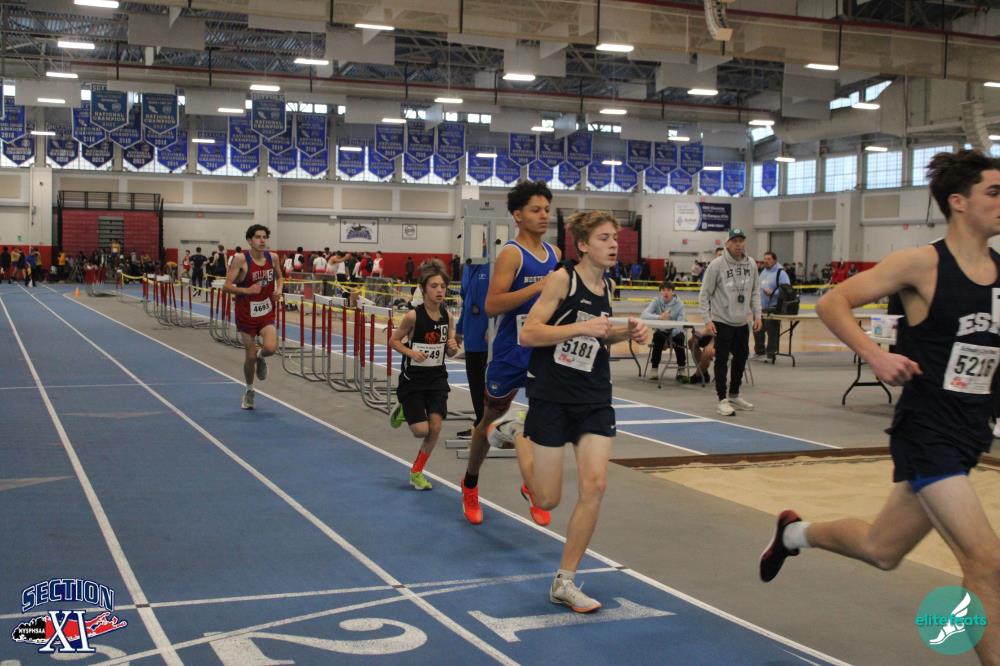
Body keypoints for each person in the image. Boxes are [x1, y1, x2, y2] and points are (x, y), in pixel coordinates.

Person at [760, 150, 1000, 663]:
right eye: (994, 193)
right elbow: (832, 302)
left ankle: (794, 533)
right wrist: (874, 354)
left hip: (970, 432)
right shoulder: (922, 263)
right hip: (927, 431)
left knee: (882, 550)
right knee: (986, 563)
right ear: (958, 202)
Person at [518, 210, 650, 613]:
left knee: (595, 486)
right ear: (582, 245)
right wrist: (581, 328)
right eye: (604, 238)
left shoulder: (607, 285)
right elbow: (529, 333)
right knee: (547, 499)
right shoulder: (563, 279)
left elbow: (598, 338)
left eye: (615, 238)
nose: (613, 245)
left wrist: (630, 331)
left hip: (593, 396)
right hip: (552, 397)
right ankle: (515, 434)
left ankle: (565, 580)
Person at [460, 180, 561, 526]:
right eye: (536, 210)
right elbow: (492, 305)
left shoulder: (555, 254)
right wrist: (539, 286)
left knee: (545, 418)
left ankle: (531, 484)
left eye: (547, 209)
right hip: (510, 352)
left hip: (541, 350)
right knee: (488, 421)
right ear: (518, 215)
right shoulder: (512, 254)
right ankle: (470, 483)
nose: (544, 215)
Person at [388, 259, 459, 490]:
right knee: (421, 431)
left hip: (437, 378)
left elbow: (451, 351)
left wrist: (453, 347)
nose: (439, 291)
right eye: (434, 286)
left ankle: (416, 472)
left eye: (443, 287)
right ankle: (403, 408)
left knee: (435, 428)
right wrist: (411, 352)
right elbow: (394, 341)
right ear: (423, 288)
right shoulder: (413, 317)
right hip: (414, 380)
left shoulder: (448, 317)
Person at [698, 228, 762, 416]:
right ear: (727, 243)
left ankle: (734, 395)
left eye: (741, 241)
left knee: (741, 358)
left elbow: (755, 292)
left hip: (742, 322)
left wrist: (758, 315)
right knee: (722, 360)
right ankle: (722, 400)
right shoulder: (716, 265)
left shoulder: (751, 264)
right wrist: (707, 320)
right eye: (734, 241)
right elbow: (704, 294)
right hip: (722, 321)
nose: (738, 244)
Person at [222, 225, 283, 410]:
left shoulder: (273, 258)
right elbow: (226, 286)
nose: (262, 240)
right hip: (246, 313)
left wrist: (279, 289)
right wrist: (247, 290)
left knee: (271, 348)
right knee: (249, 356)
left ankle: (260, 355)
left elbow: (280, 277)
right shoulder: (241, 259)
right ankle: (249, 391)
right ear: (249, 240)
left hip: (266, 311)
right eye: (258, 237)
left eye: (264, 237)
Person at [456, 259, 490, 439]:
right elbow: (466, 300)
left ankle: (489, 424)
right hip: (471, 333)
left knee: (489, 382)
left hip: (489, 334)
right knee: (475, 381)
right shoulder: (468, 266)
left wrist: (494, 326)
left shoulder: (493, 263)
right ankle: (480, 422)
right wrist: (459, 328)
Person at [641, 280, 690, 382]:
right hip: (661, 331)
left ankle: (681, 369)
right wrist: (659, 317)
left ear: (673, 292)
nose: (666, 292)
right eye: (663, 290)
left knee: (679, 338)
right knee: (657, 337)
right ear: (660, 292)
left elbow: (681, 323)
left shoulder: (679, 304)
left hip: (675, 332)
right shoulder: (656, 301)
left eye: (668, 290)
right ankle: (654, 369)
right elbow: (644, 315)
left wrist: (670, 337)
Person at [754, 251, 790, 361]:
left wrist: (774, 293)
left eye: (769, 259)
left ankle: (771, 354)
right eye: (765, 259)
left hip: (774, 308)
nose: (766, 261)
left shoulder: (781, 273)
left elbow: (787, 289)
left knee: (772, 331)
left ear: (775, 260)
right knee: (757, 330)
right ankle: (759, 351)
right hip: (760, 307)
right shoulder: (763, 271)